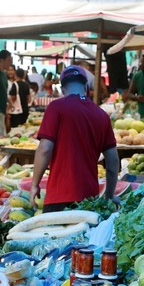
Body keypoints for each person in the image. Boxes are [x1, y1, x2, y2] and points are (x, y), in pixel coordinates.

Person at [30, 65, 120, 213]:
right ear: (86, 86)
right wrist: (109, 196)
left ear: (63, 87)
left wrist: (35, 184)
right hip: (89, 201)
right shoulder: (101, 115)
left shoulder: (56, 108)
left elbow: (45, 149)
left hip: (59, 198)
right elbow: (113, 161)